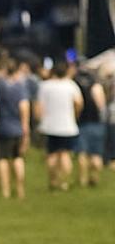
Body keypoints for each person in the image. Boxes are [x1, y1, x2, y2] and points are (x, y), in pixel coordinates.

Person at [36, 62, 83, 191]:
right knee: (65, 155)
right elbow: (79, 103)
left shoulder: (45, 86)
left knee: (51, 155)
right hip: (67, 125)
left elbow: (39, 107)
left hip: (49, 125)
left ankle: (53, 180)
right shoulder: (71, 85)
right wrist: (75, 114)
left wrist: (39, 121)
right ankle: (64, 182)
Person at [0, 56, 30, 200]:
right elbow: (24, 107)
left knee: (2, 158)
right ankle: (20, 189)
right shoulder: (20, 86)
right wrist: (25, 128)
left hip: (2, 127)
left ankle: (5, 191)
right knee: (17, 157)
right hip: (17, 127)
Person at [73, 64, 106, 187]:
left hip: (81, 123)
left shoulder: (75, 85)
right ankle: (95, 177)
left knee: (82, 153)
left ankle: (82, 179)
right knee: (96, 153)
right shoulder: (96, 86)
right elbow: (101, 106)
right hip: (96, 123)